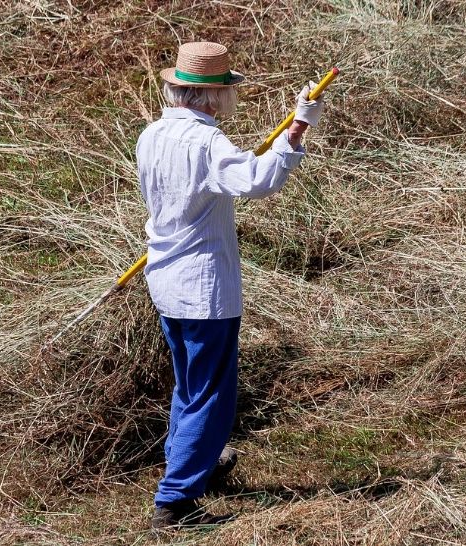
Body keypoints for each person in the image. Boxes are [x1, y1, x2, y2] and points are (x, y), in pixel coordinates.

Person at [136, 41, 324, 530]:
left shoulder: (151, 134)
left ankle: (196, 464)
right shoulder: (206, 142)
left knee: (190, 385)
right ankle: (176, 502)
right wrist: (297, 128)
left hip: (165, 278)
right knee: (210, 394)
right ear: (214, 95)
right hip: (203, 287)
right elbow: (257, 181)